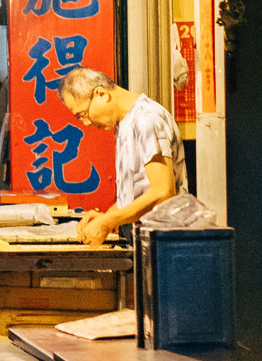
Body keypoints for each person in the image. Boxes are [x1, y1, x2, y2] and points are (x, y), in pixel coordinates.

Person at [58, 67, 189, 247]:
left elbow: (162, 192)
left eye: (83, 115)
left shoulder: (146, 119)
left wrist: (108, 222)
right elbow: (137, 195)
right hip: (146, 242)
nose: (87, 123)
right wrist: (106, 217)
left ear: (101, 94)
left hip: (167, 243)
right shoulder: (125, 124)